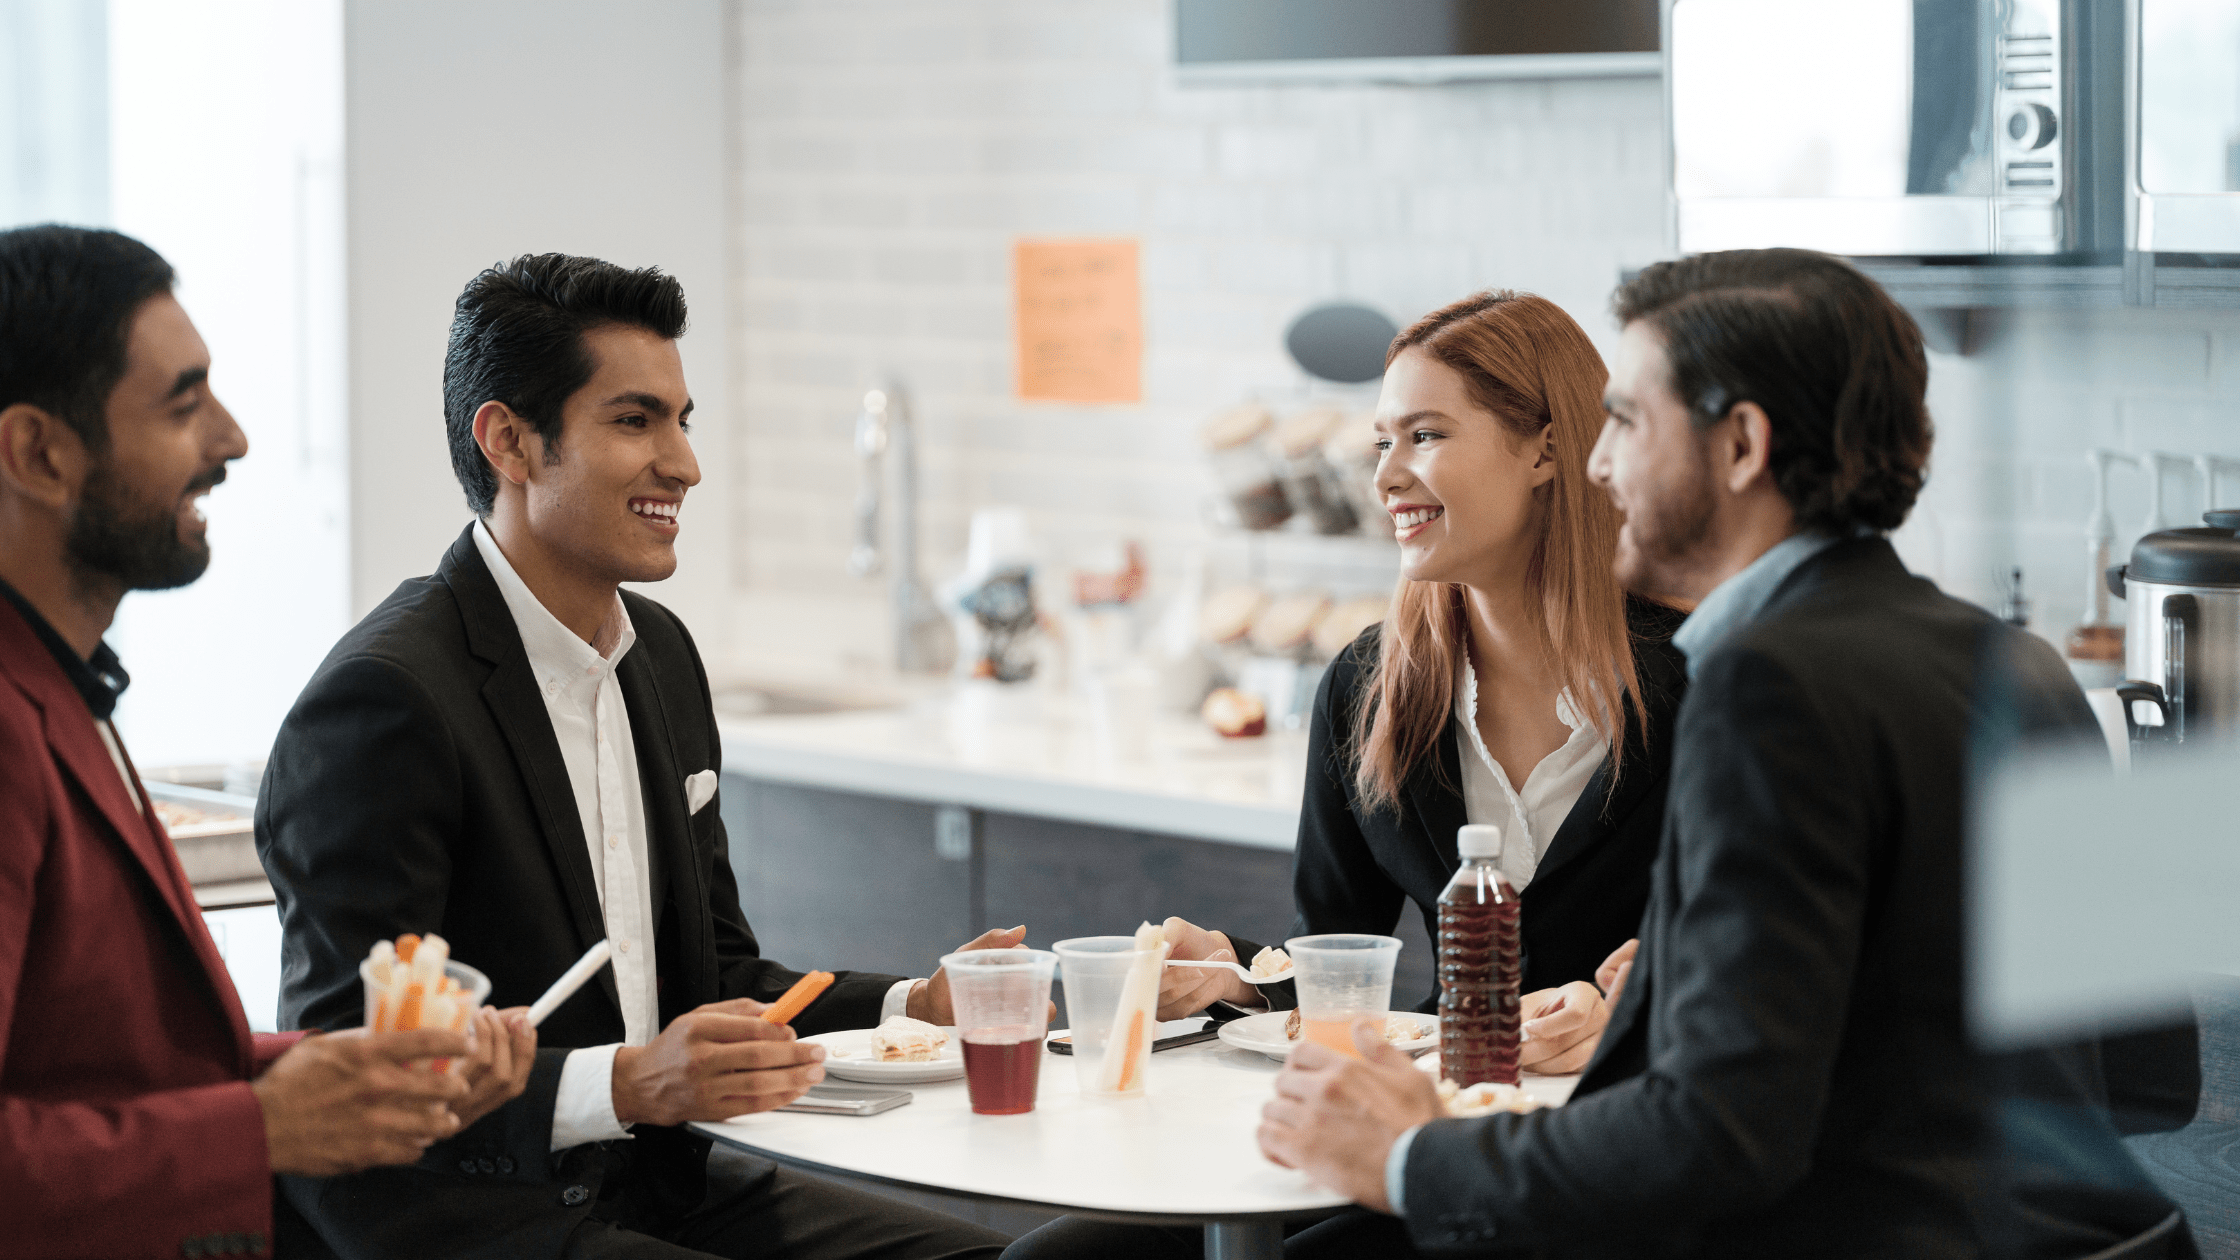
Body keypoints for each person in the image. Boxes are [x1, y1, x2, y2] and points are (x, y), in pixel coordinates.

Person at [1254, 248, 2192, 1258]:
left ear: (1740, 445)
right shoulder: (2017, 661)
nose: (1599, 466)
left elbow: (1716, 1136)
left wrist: (1412, 1158)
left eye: (1626, 422)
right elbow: (2147, 1074)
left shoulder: (1763, 683)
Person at [257, 253, 1013, 1260]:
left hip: (662, 1185)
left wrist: (910, 1005)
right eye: (634, 421)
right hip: (467, 1216)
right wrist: (625, 1084)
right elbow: (348, 1070)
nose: (684, 464)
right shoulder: (385, 701)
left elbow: (715, 974)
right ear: (508, 441)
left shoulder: (658, 654)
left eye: (681, 421)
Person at [1006, 291, 1686, 1260]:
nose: (1386, 476)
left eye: (1424, 435)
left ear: (1544, 451)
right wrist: (1238, 979)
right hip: (1418, 1129)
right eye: (1380, 442)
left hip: (1608, 1158)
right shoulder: (1370, 688)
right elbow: (1334, 960)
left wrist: (1626, 1008)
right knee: (1058, 1259)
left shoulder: (1699, 684)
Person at [0, 224, 529, 1260]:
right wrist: (261, 1128)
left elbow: (100, 1064)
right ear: (37, 453)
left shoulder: (63, 684)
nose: (233, 439)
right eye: (182, 405)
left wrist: (346, 1077)